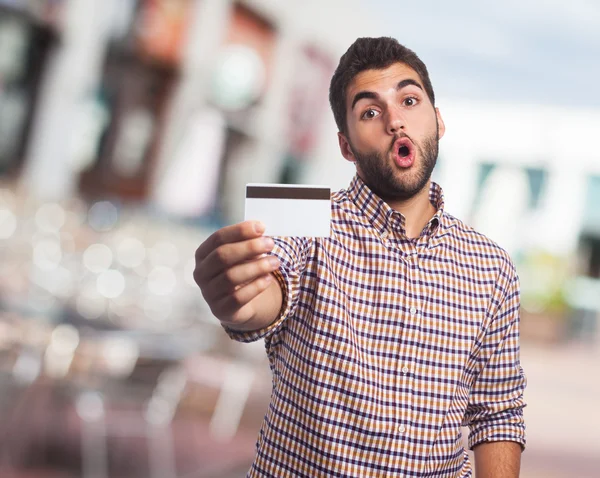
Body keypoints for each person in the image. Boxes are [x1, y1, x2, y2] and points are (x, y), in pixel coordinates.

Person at [194, 37, 526, 477]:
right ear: (346, 146)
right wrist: (236, 299)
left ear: (439, 120)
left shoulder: (492, 265)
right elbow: (264, 296)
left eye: (409, 100)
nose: (394, 120)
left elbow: (498, 413)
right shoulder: (304, 216)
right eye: (369, 111)